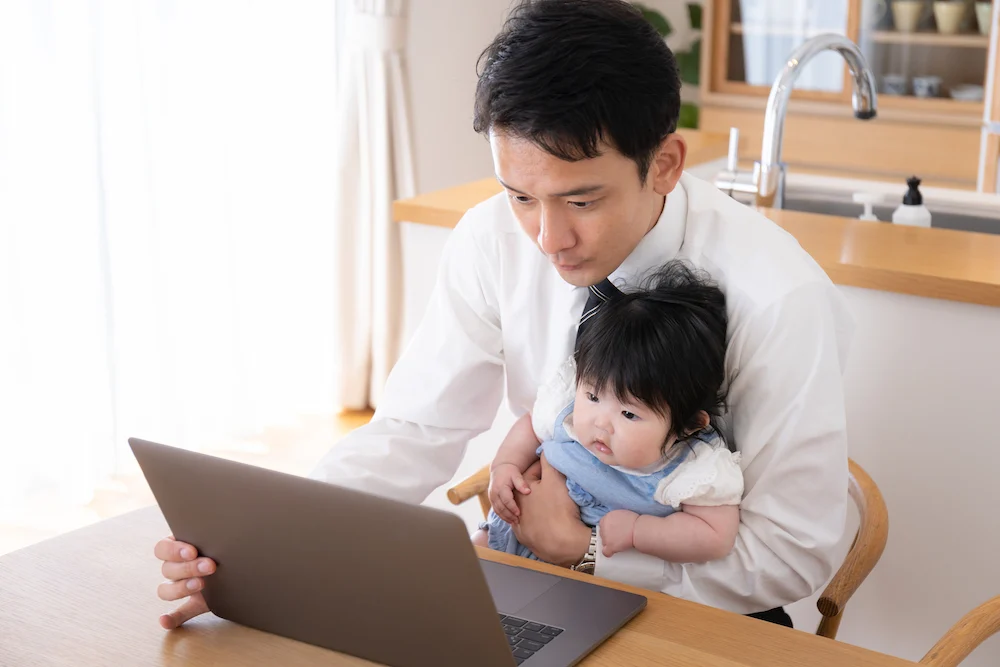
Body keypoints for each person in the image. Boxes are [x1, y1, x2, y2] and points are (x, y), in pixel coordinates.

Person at [153, 0, 853, 630]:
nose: (548, 238)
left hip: (706, 620)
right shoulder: (490, 237)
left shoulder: (779, 296)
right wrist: (271, 551)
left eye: (580, 201)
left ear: (665, 163)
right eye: (521, 195)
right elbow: (415, 428)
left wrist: (586, 555)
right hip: (536, 583)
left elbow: (789, 557)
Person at [478, 261, 744, 568]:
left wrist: (638, 531)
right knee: (462, 565)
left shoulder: (690, 469)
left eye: (629, 414)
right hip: (510, 535)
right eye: (592, 396)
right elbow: (530, 424)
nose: (600, 422)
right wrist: (506, 464)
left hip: (583, 575)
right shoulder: (565, 411)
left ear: (687, 427)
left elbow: (715, 535)